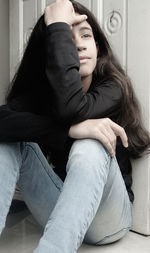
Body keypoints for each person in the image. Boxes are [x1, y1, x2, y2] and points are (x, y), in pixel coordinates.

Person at [0, 0, 150, 252]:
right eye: (65, 38)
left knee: (92, 141)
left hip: (109, 219)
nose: (78, 44)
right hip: (59, 210)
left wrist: (57, 23)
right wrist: (67, 131)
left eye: (86, 35)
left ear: (98, 47)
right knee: (8, 137)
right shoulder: (41, 95)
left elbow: (72, 108)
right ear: (53, 54)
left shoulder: (112, 88)